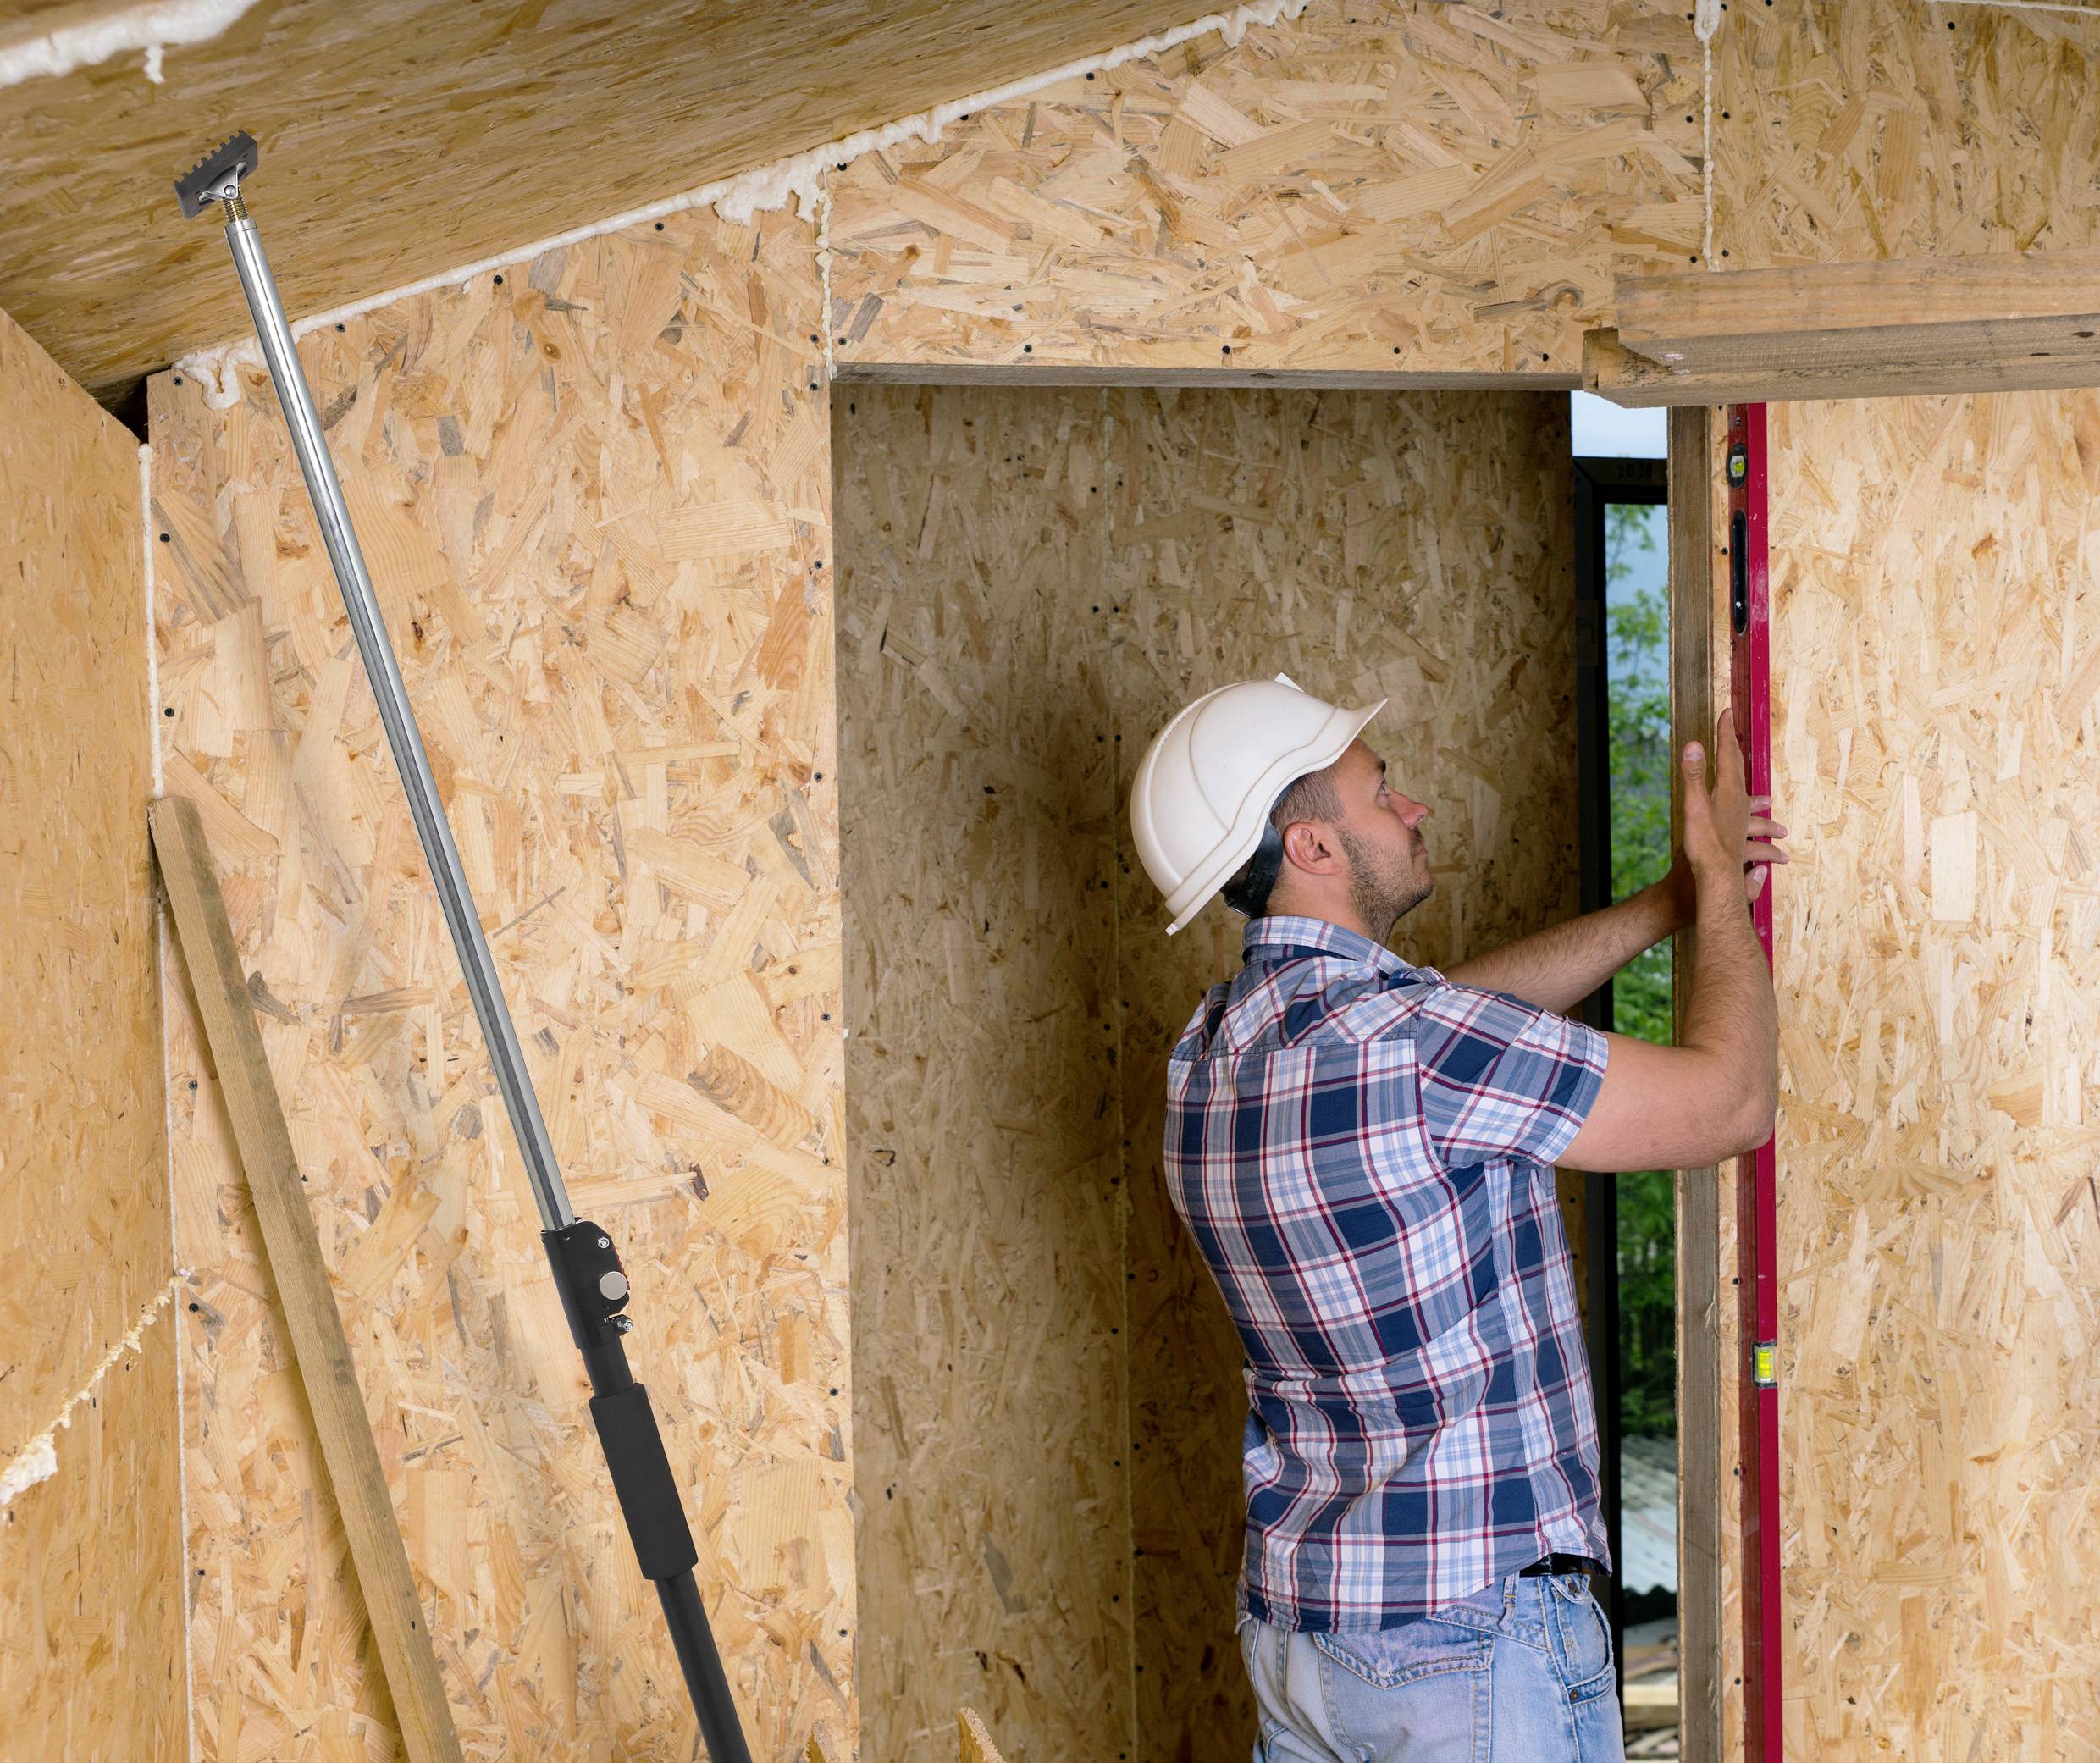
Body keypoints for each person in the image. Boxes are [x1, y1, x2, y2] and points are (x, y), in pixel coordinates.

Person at [1129, 675, 1785, 1762]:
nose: (1411, 808)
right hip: (1468, 1645)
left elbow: (1455, 1014)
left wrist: (1661, 904)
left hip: (1303, 1642)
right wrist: (1717, 888)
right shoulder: (1417, 1049)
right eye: (1380, 793)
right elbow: (1732, 1100)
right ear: (1313, 847)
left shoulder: (1209, 1057)